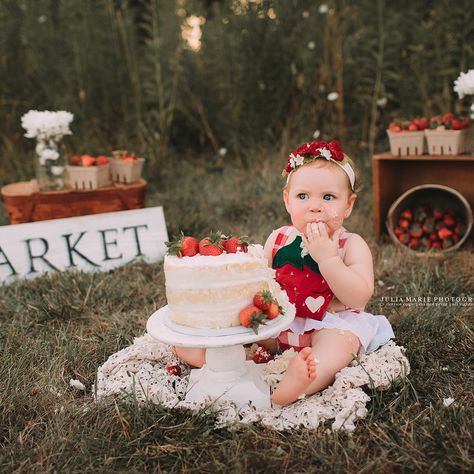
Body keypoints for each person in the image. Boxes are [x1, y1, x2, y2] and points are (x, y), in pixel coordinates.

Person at [174, 140, 394, 406]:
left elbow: (358, 298)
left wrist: (328, 259)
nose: (315, 206)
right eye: (303, 196)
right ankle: (220, 356)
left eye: (328, 197)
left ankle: (302, 380)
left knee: (339, 346)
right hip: (281, 325)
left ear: (348, 205)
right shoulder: (279, 238)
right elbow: (259, 283)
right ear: (287, 200)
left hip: (329, 324)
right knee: (243, 324)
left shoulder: (351, 244)